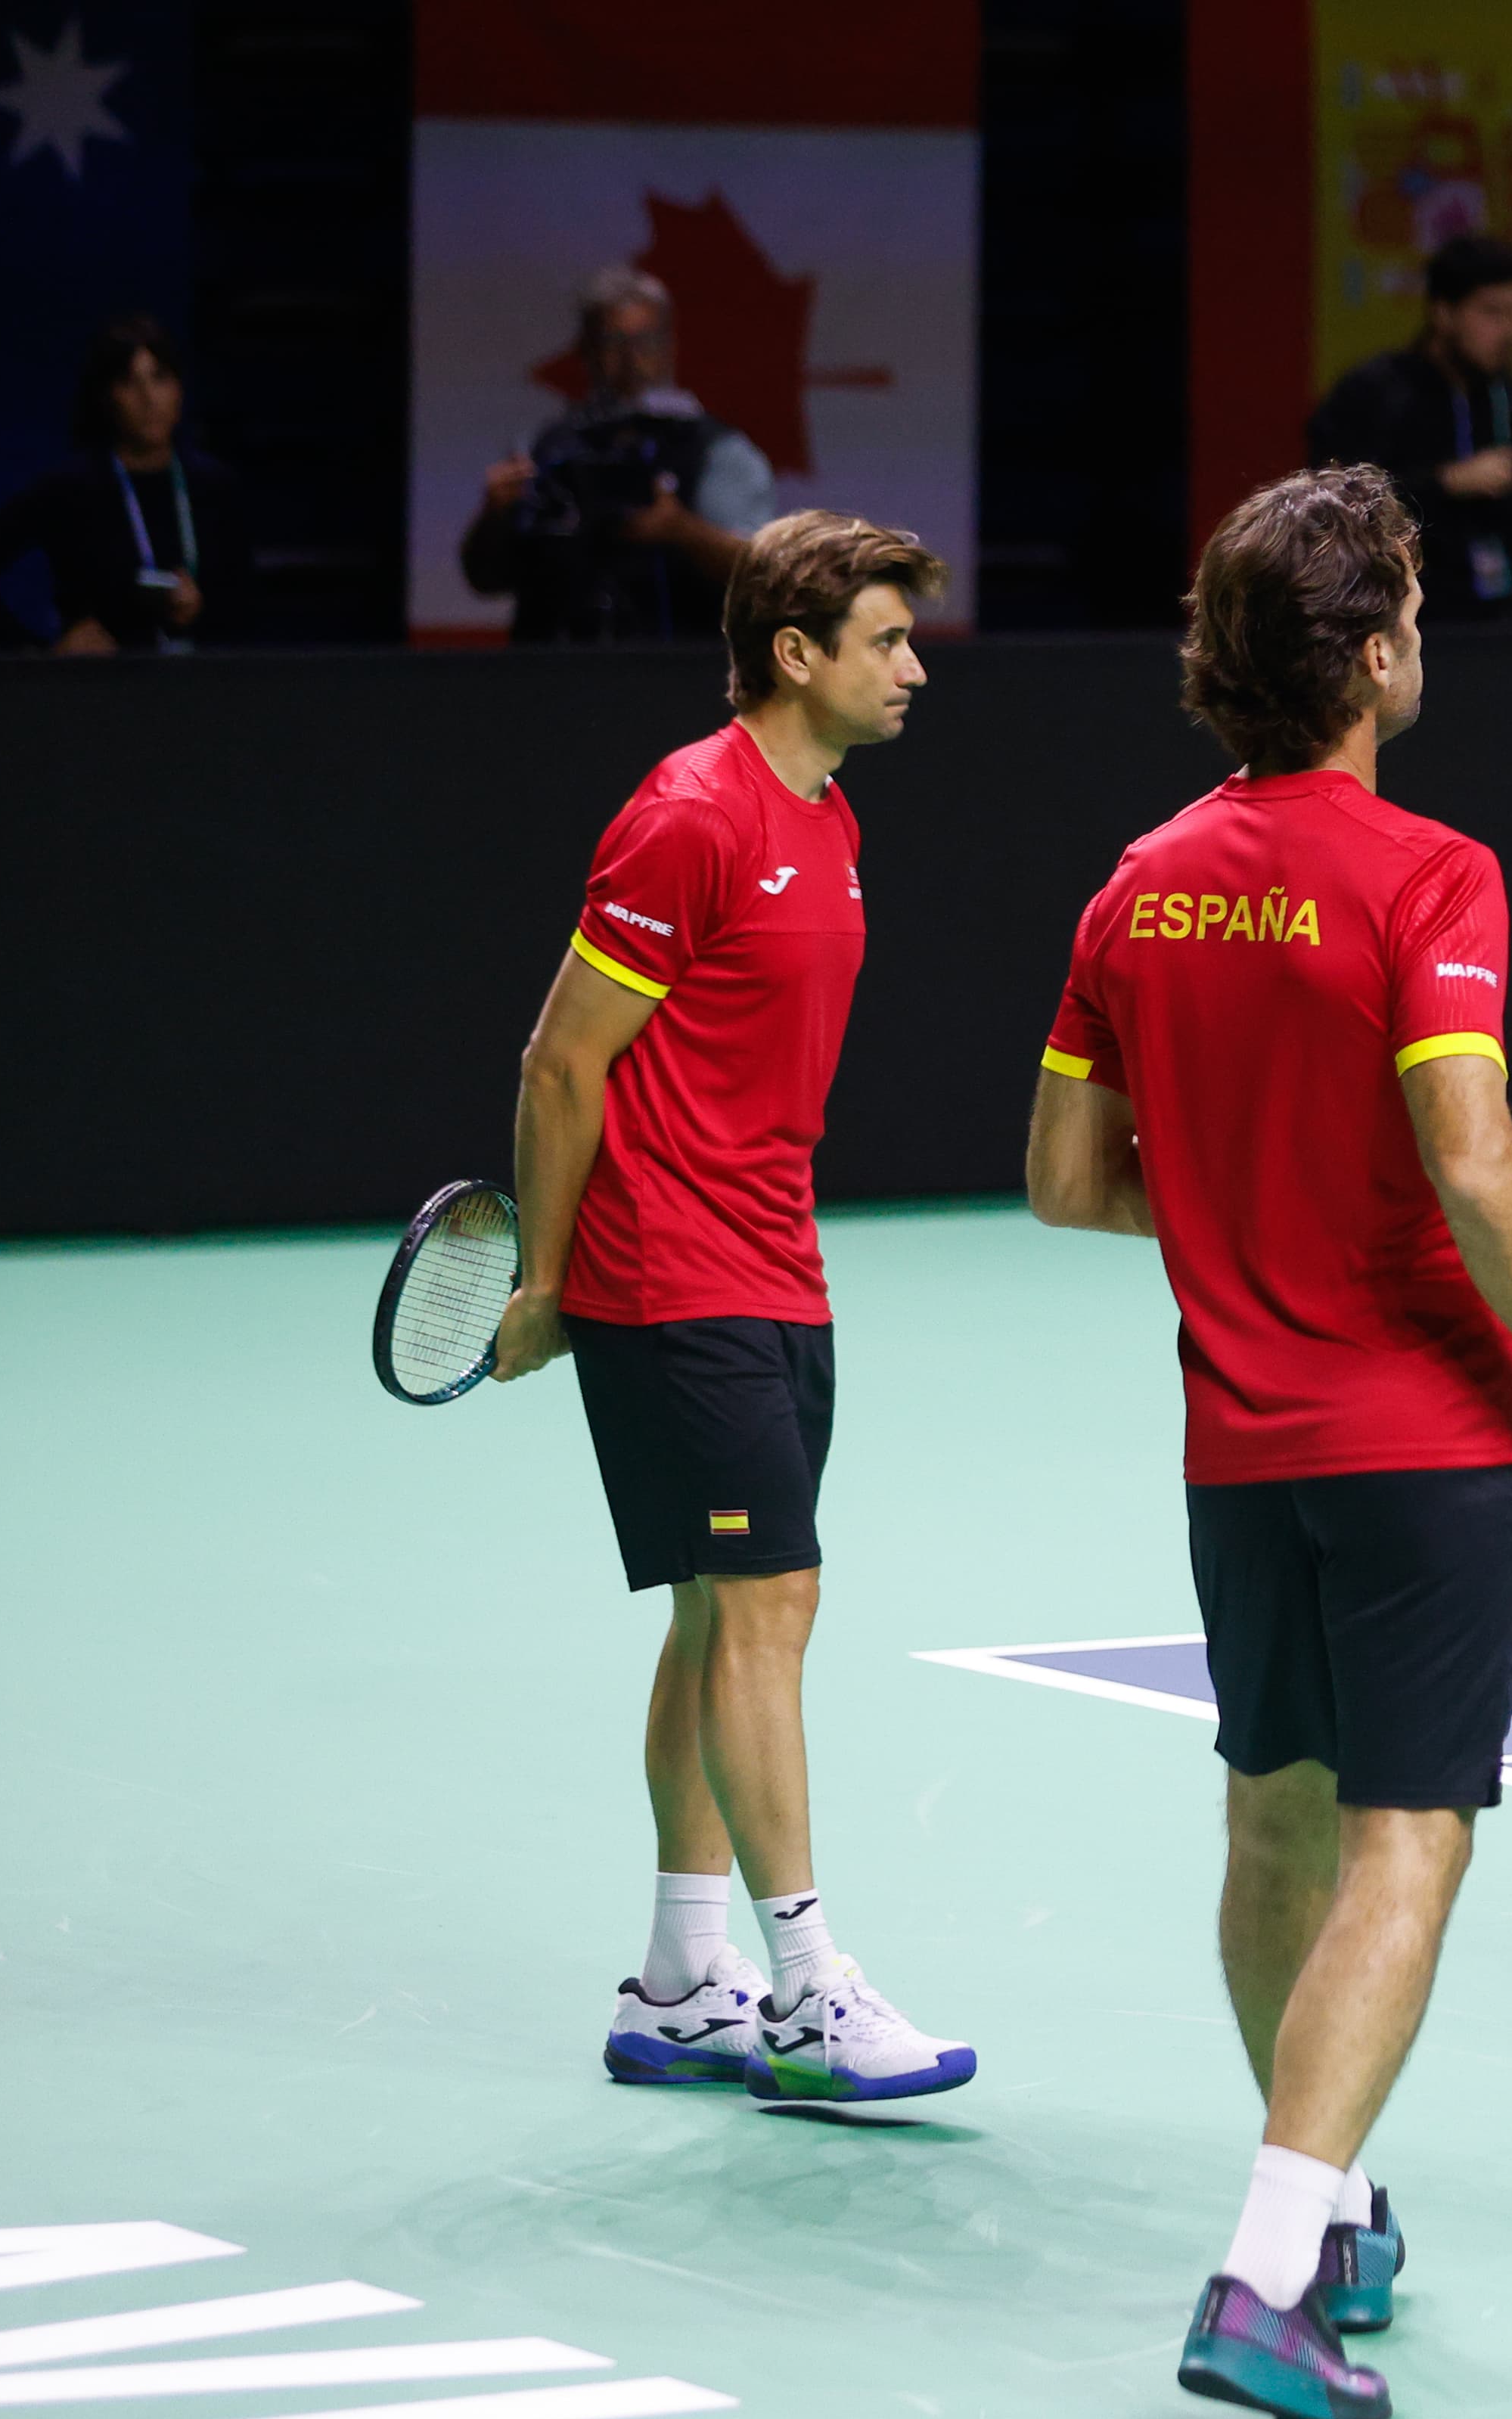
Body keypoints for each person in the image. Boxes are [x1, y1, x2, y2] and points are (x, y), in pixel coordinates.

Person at [1023, 464, 1512, 2419]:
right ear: (1372, 652)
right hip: (1422, 1442)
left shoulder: (1136, 882)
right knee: (1410, 1837)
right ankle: (1266, 2267)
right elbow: (1473, 1156)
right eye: (1408, 610)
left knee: (1271, 1828)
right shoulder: (1428, 873)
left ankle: (1338, 2207)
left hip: (1240, 1450)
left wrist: (1238, 1214)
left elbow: (1064, 1180)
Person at [489, 511, 978, 2108]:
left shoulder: (827, 818)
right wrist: (550, 1280)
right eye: (887, 640)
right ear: (797, 653)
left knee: (720, 1611)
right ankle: (808, 1985)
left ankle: (681, 1977)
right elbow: (562, 1059)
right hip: (665, 1266)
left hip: (775, 1254)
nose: (915, 667)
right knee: (770, 1603)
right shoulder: (685, 818)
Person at [459, 266, 777, 644]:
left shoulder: (717, 451)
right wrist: (493, 516)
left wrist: (682, 531)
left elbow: (761, 576)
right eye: (612, 341)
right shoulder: (545, 450)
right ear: (585, 350)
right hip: (555, 676)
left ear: (670, 346)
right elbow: (486, 579)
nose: (631, 358)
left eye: (646, 340)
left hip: (674, 675)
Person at [1305, 237, 1512, 629]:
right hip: (1397, 625)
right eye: (1494, 313)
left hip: (1497, 626)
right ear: (1443, 313)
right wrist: (1446, 481)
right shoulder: (1374, 393)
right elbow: (1332, 506)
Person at [0, 315, 253, 654]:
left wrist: (202, 608)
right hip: (96, 694)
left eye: (159, 378)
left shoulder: (215, 486)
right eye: (129, 382)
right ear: (106, 397)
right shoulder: (70, 489)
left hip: (200, 692)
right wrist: (39, 654)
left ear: (180, 390)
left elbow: (244, 603)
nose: (148, 398)